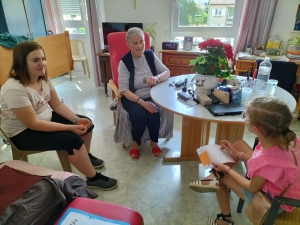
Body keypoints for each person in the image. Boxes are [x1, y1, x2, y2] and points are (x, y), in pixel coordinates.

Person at [0, 41, 117, 191]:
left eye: (43, 58)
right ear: (22, 63)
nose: (42, 63)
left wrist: (76, 120)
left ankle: (84, 157)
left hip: (43, 119)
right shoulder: (14, 89)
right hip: (22, 132)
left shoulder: (43, 78)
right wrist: (70, 128)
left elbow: (57, 105)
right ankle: (93, 178)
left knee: (87, 125)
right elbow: (33, 124)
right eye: (35, 60)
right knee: (72, 140)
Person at [189, 97, 300, 225]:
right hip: (286, 188)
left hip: (274, 202)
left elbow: (251, 187)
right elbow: (272, 162)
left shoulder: (267, 161)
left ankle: (225, 220)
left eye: (245, 116)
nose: (244, 118)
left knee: (221, 176)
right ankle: (213, 177)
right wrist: (238, 154)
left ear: (256, 129)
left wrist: (227, 169)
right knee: (239, 144)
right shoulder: (290, 139)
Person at [118, 27, 170, 160]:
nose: (139, 46)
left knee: (154, 111)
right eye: (135, 43)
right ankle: (135, 143)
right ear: (128, 45)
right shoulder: (124, 63)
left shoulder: (150, 55)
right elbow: (124, 89)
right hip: (132, 97)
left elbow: (167, 72)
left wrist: (157, 78)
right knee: (139, 115)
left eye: (141, 41)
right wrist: (143, 103)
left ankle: (154, 142)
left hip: (152, 94)